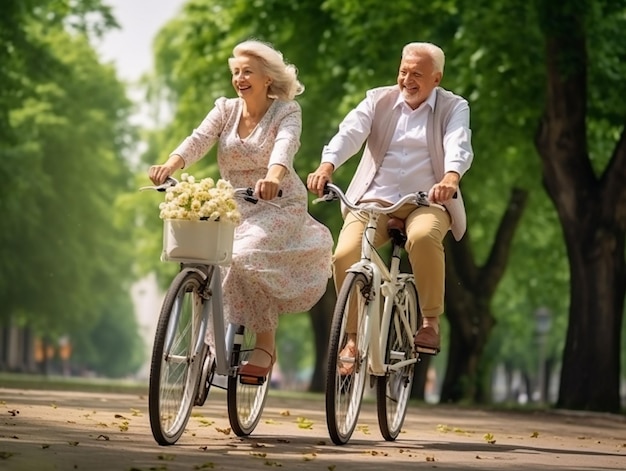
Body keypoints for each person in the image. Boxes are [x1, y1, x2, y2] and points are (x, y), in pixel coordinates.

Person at [149, 39, 333, 385]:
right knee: (211, 258)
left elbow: (285, 145)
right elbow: (198, 139)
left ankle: (265, 343)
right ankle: (209, 340)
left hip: (278, 204)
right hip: (234, 206)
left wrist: (273, 176)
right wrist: (170, 165)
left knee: (244, 255)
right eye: (235, 72)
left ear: (268, 78)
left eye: (247, 71)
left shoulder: (287, 111)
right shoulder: (225, 109)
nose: (239, 78)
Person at [307, 42, 473, 366]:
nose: (407, 80)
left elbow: (458, 143)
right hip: (373, 200)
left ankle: (429, 322)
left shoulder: (454, 107)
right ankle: (353, 339)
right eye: (403, 71)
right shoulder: (376, 100)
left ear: (437, 79)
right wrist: (327, 166)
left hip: (427, 201)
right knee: (344, 254)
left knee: (423, 237)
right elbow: (349, 134)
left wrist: (451, 178)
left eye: (417, 75)